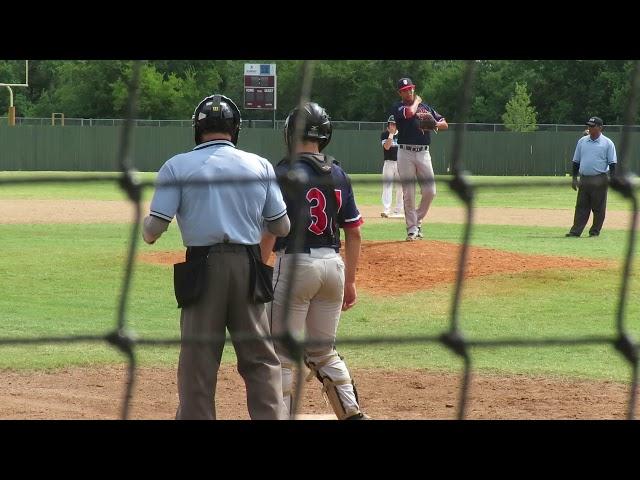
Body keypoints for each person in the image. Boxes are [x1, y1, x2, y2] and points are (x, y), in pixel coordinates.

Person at [142, 94, 290, 420]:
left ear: (197, 128)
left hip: (202, 268)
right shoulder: (260, 165)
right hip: (249, 268)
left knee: (198, 362)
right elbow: (281, 224)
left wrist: (147, 223)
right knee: (260, 360)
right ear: (236, 129)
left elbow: (152, 231)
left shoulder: (176, 165)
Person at [260, 102, 369, 420]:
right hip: (333, 267)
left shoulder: (281, 173)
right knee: (322, 351)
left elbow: (270, 232)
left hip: (294, 266)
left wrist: (256, 270)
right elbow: (355, 234)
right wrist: (350, 281)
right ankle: (351, 411)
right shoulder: (338, 172)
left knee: (280, 354)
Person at [390, 77, 448, 241]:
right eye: (405, 90)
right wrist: (418, 101)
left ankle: (418, 220)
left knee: (430, 191)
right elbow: (409, 113)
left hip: (423, 152)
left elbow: (444, 123)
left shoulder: (425, 107)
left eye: (411, 89)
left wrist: (434, 125)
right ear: (400, 93)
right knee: (408, 193)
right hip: (405, 153)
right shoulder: (398, 107)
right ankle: (412, 229)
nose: (409, 91)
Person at [566, 116, 617, 238]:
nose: (589, 128)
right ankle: (575, 232)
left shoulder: (607, 143)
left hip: (600, 178)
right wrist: (574, 178)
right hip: (584, 179)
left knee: (598, 207)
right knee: (581, 207)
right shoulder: (582, 141)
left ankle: (594, 232)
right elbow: (576, 161)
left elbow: (612, 163)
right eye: (589, 125)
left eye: (592, 126)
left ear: (600, 128)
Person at [380, 115, 404, 218]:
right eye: (390, 124)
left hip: (401, 163)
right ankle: (386, 210)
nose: (392, 125)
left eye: (394, 124)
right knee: (387, 186)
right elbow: (387, 146)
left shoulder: (403, 135)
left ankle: (398, 210)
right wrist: (391, 134)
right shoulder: (384, 134)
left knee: (400, 188)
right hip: (388, 163)